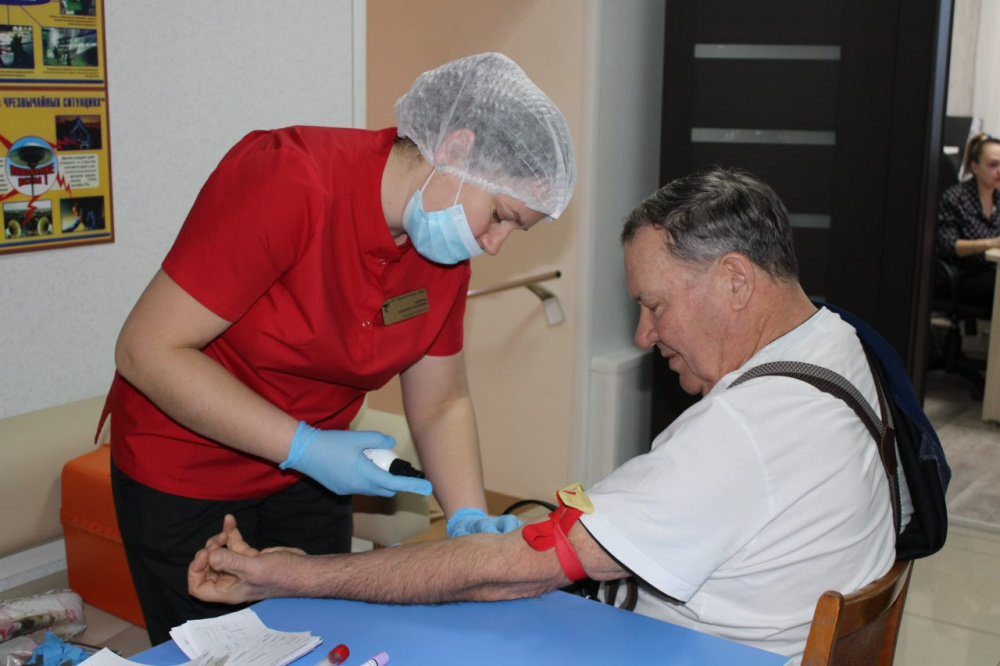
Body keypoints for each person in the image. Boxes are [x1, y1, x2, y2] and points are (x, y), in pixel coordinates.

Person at [188, 168, 901, 661]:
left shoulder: (743, 433)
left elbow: (505, 571)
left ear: (736, 281)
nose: (644, 336)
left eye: (654, 305)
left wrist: (299, 575)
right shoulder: (842, 343)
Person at [102, 52, 575, 644]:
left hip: (313, 475)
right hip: (189, 466)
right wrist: (302, 446)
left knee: (318, 639)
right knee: (221, 650)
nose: (495, 244)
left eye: (514, 229)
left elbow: (441, 401)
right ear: (455, 149)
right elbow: (147, 349)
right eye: (500, 216)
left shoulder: (444, 249)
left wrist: (468, 519)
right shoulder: (290, 178)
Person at [935, 132, 1000, 311]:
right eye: (993, 165)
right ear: (975, 167)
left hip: (991, 270)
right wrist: (990, 243)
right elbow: (948, 245)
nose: (999, 170)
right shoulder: (955, 197)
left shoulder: (998, 198)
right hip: (962, 275)